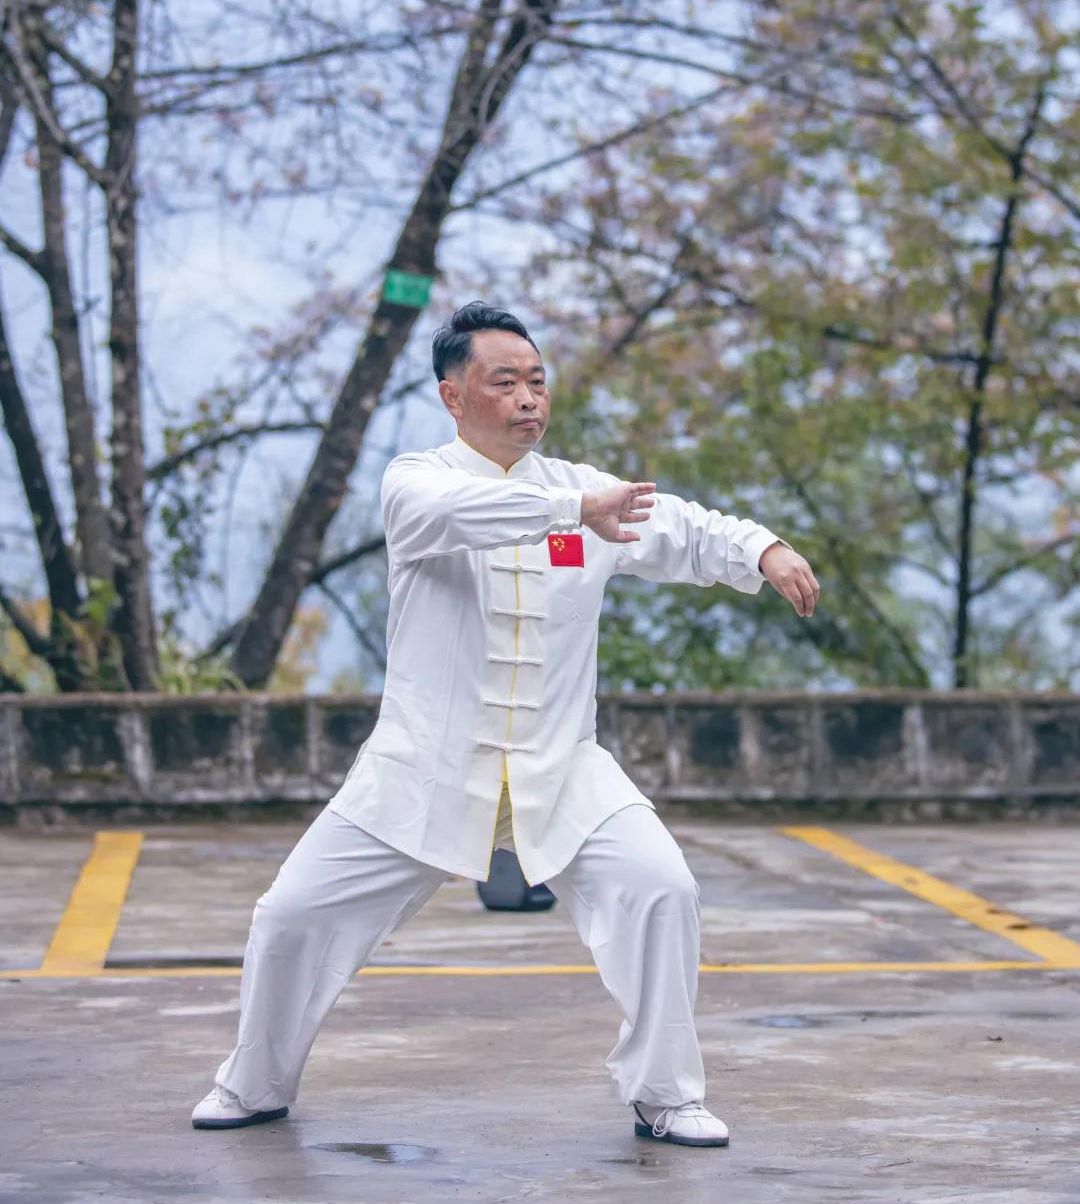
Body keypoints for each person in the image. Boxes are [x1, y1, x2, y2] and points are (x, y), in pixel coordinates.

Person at [192, 301, 820, 1148]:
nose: (529, 398)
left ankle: (665, 1093)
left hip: (562, 767)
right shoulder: (416, 483)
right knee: (289, 916)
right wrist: (571, 511)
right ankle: (253, 1082)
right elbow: (461, 516)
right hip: (423, 769)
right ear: (455, 396)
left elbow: (680, 526)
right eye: (505, 382)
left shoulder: (582, 491)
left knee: (661, 888)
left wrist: (763, 550)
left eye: (537, 382)